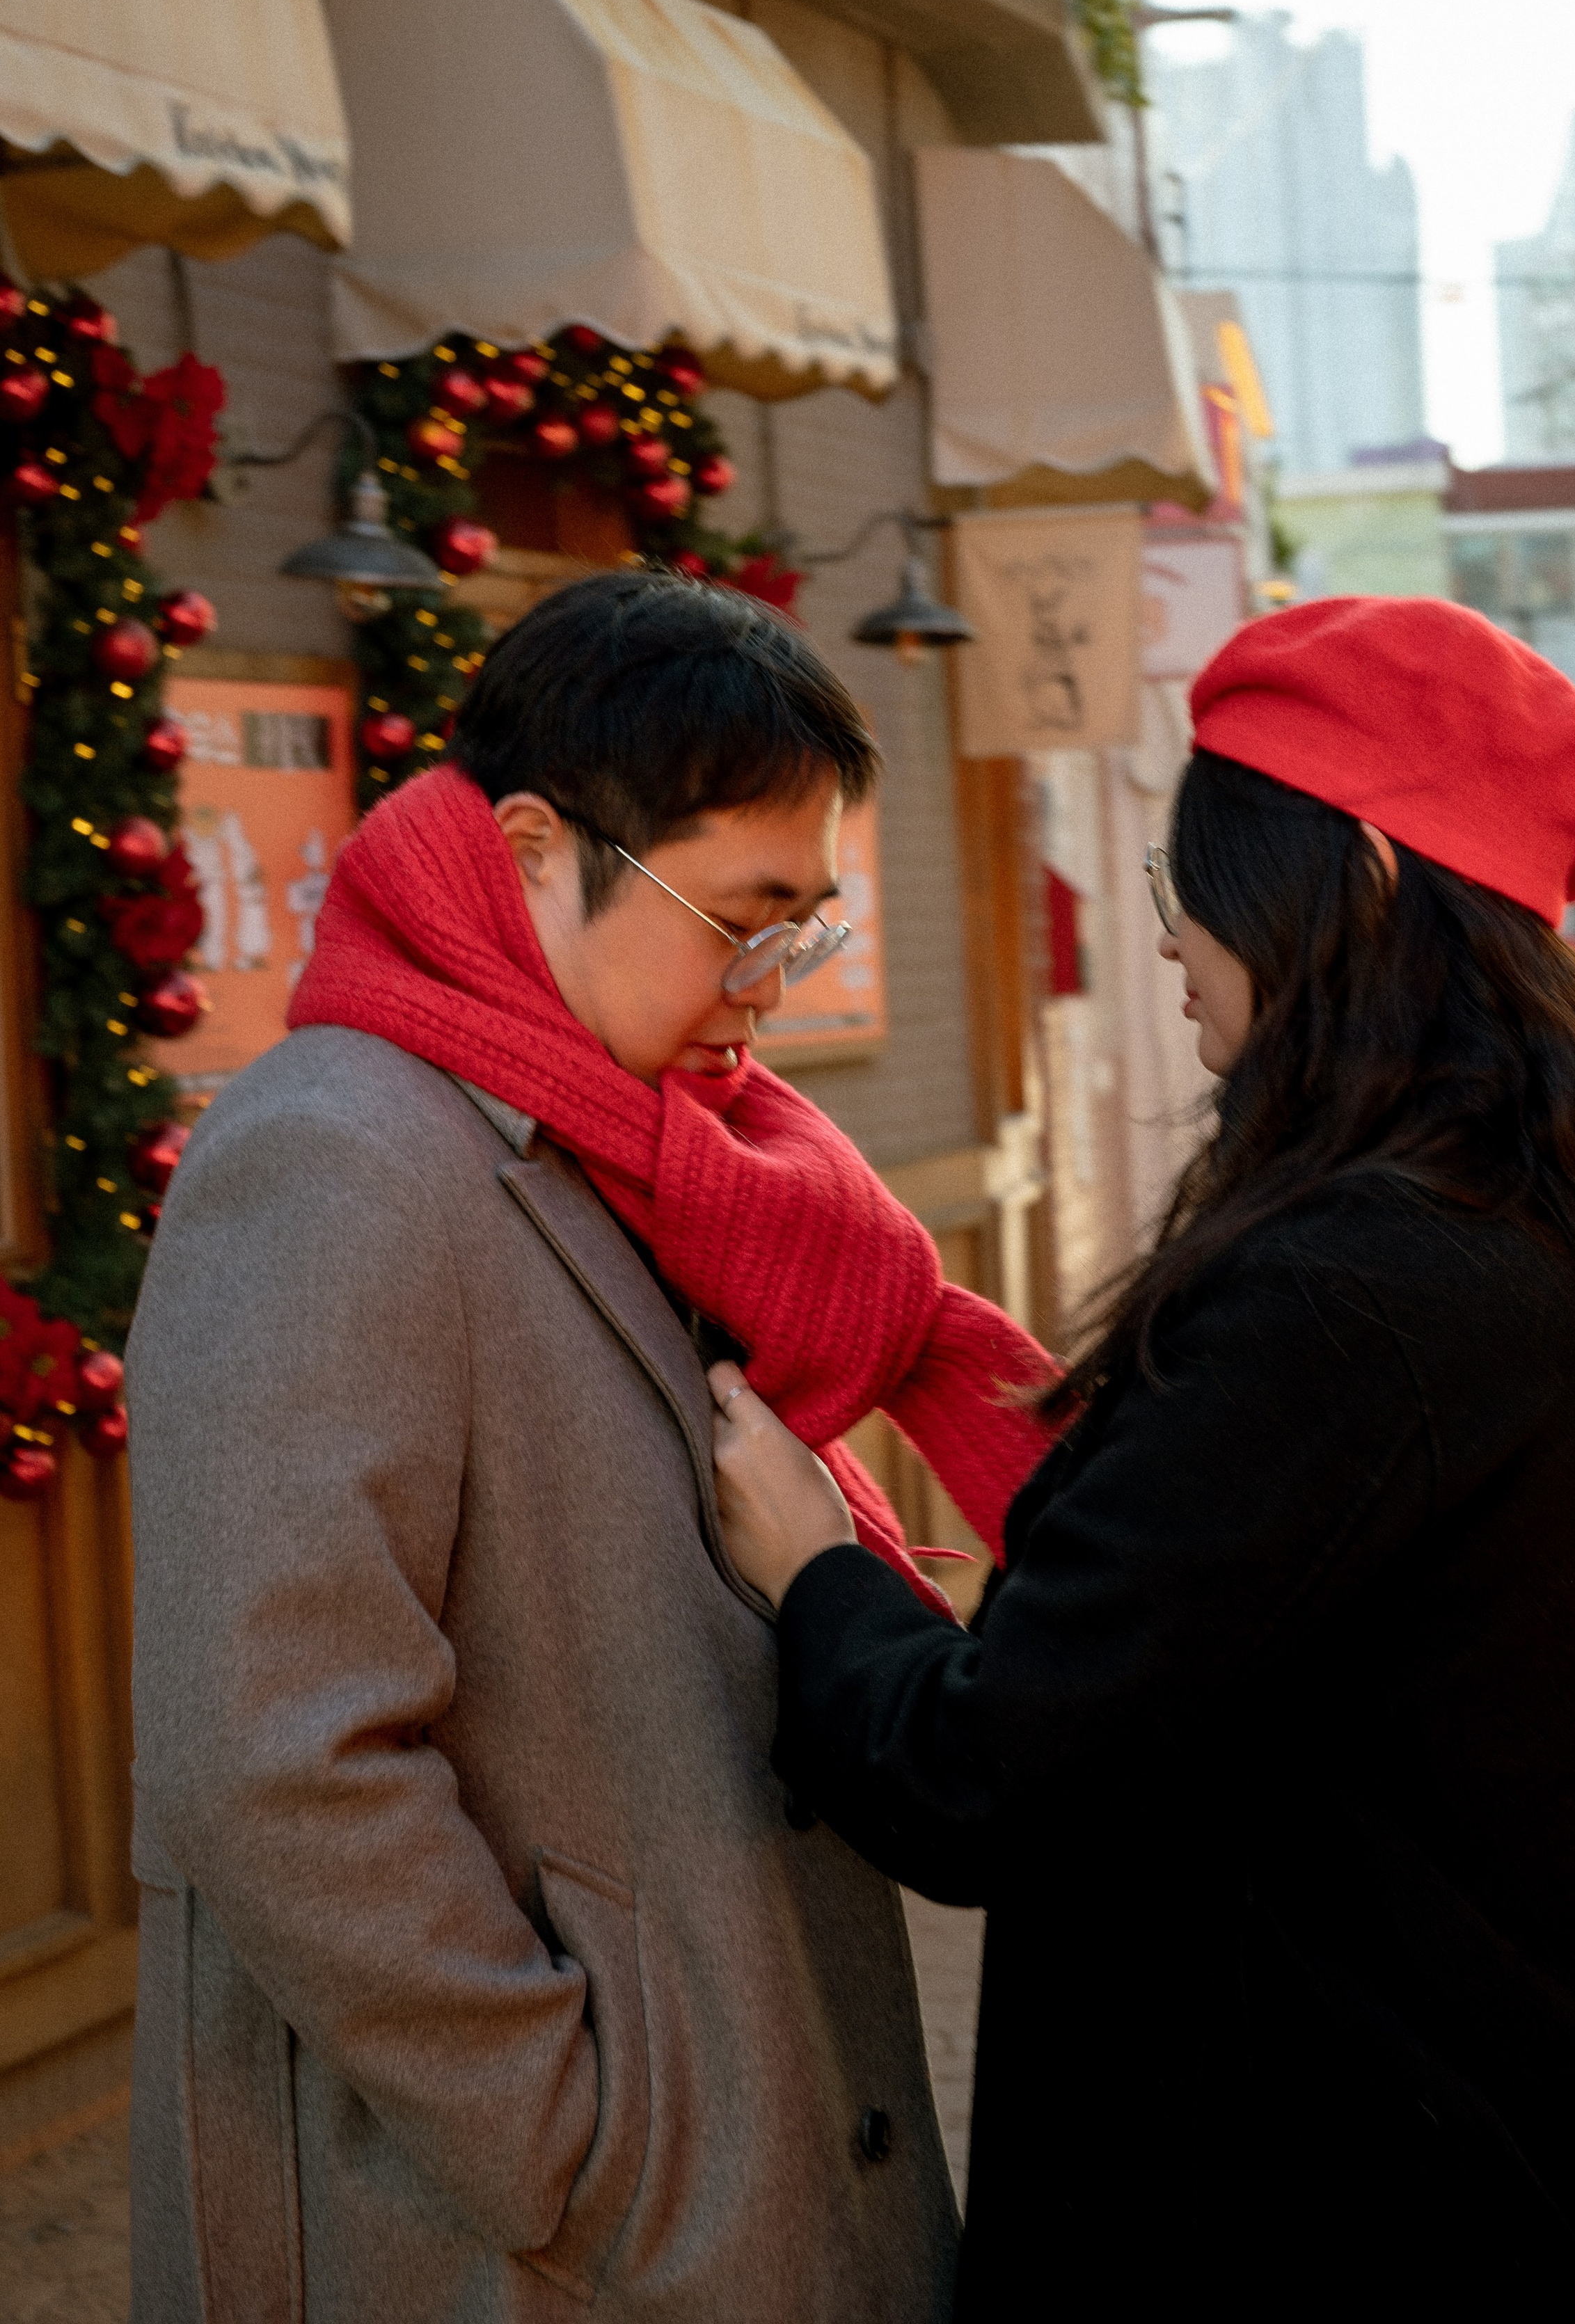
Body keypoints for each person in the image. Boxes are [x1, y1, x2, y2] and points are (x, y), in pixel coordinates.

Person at [708, 595, 1575, 2321]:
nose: (1168, 938)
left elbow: (986, 1769)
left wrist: (812, 1567)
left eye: (1186, 883)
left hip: (1346, 2214)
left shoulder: (1353, 1288)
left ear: (1345, 876)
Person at [125, 571, 1057, 2323]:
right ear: (536, 847)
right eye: (740, 920)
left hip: (702, 2160)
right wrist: (576, 2139)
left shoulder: (643, 1143)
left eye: (807, 929)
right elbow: (272, 1758)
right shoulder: (338, 1155)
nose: (770, 988)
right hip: (521, 2232)